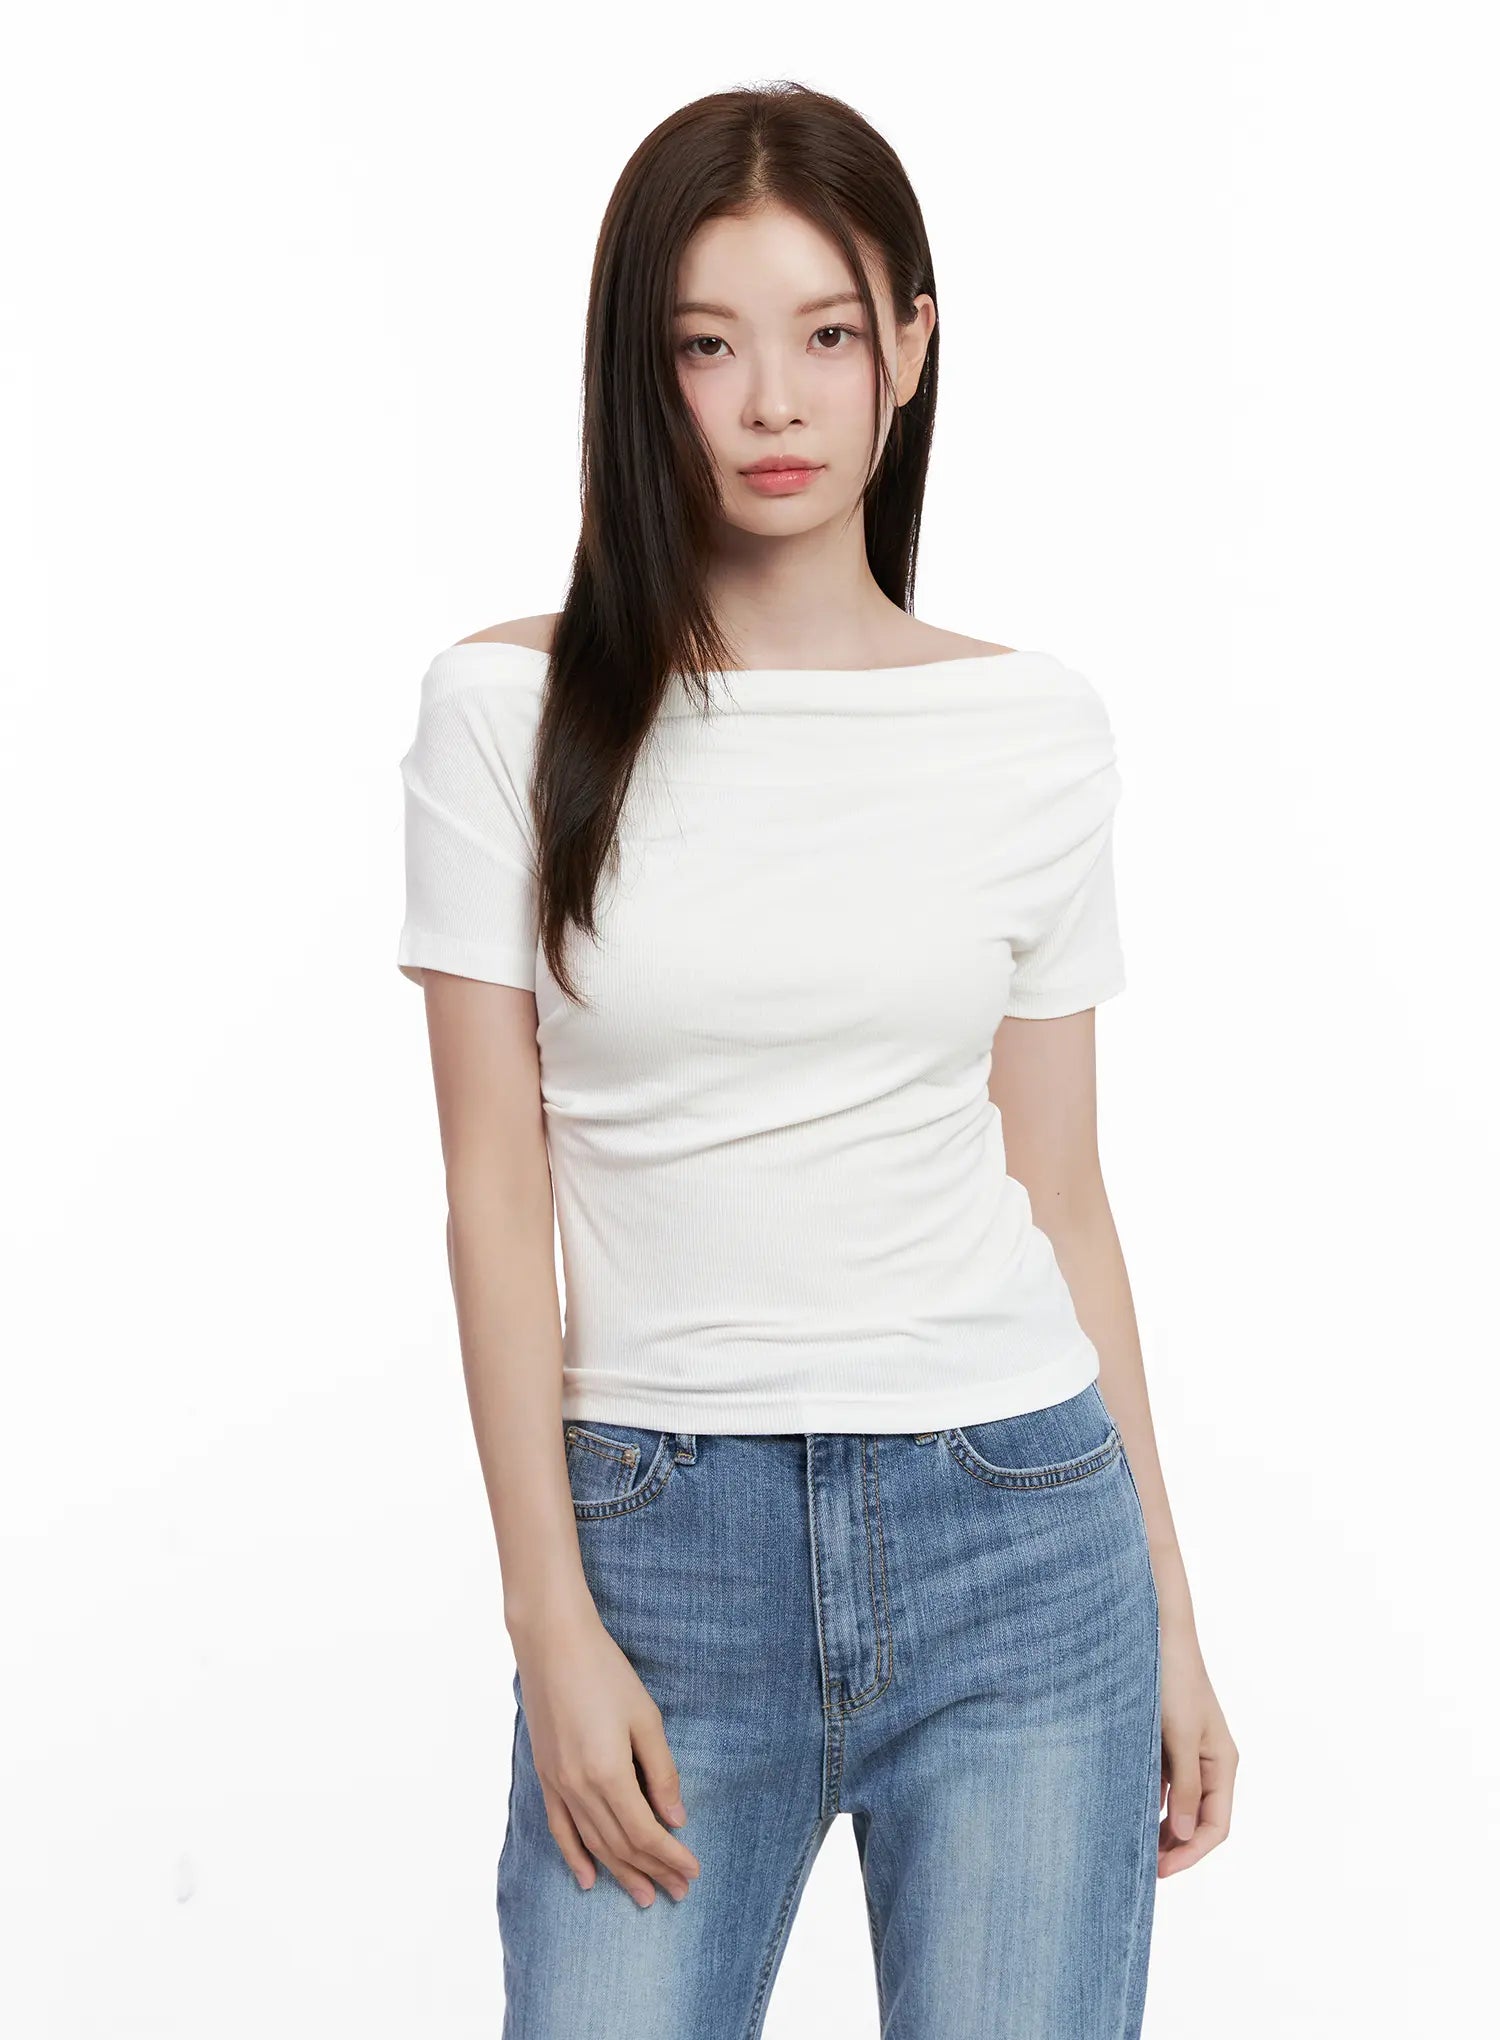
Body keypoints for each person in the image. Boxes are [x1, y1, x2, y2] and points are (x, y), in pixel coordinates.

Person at [396, 79, 1237, 2039]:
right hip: (658, 1551)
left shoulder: (1030, 731)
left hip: (1020, 1532)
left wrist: (1175, 1616)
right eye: (707, 345)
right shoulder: (506, 712)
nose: (772, 402)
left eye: (828, 334)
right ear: (640, 371)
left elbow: (1060, 1191)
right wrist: (550, 1620)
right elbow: (494, 1190)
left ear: (910, 349)